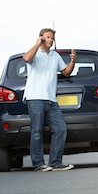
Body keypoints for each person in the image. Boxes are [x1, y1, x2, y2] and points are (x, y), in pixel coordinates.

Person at [23, 28, 76, 171]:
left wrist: (72, 61)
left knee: (60, 128)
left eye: (52, 38)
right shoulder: (35, 53)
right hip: (35, 98)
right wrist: (36, 44)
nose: (51, 40)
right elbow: (26, 58)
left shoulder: (55, 56)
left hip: (51, 100)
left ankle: (55, 162)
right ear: (41, 38)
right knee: (36, 131)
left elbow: (65, 72)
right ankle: (38, 164)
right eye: (48, 37)